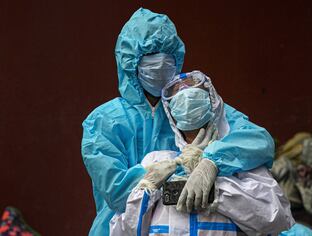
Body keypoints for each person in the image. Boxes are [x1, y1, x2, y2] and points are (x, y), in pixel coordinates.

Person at [81, 9, 275, 236]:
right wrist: (167, 171)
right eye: (151, 56)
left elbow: (258, 141)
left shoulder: (190, 104)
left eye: (168, 56)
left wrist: (212, 163)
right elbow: (117, 192)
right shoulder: (103, 121)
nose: (161, 63)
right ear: (129, 62)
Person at [109, 71, 295, 235]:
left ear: (212, 102)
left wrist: (215, 191)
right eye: (176, 92)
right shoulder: (157, 160)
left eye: (191, 86)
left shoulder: (240, 162)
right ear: (171, 113)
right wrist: (146, 190)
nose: (183, 89)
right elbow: (121, 232)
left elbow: (277, 219)